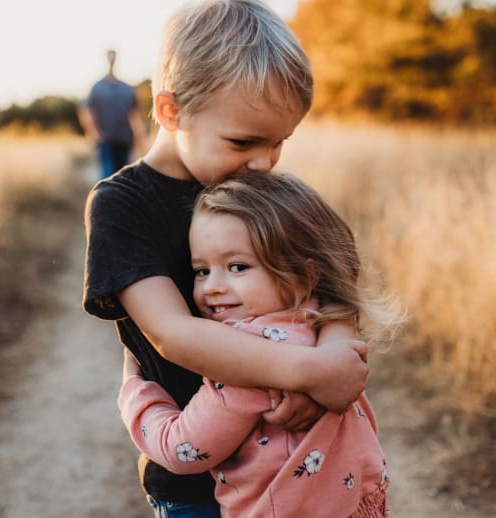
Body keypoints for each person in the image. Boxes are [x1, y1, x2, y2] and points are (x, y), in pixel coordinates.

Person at [83, 1, 368, 516]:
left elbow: (335, 279)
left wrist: (334, 359)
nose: (263, 163)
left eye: (279, 143)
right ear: (171, 112)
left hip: (303, 464)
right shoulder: (122, 206)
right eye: (243, 142)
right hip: (199, 483)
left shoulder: (258, 191)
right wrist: (305, 371)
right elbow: (174, 334)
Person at [118, 172, 395, 518]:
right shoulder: (320, 323)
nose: (213, 287)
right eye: (201, 271)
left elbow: (180, 450)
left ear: (304, 274)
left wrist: (135, 392)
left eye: (237, 267)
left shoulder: (243, 359)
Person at [78, 49, 147, 178]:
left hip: (124, 139)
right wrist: (93, 132)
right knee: (108, 175)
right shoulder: (97, 87)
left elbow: (135, 113)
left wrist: (140, 135)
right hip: (106, 140)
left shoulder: (126, 88)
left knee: (122, 176)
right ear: (106, 59)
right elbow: (86, 110)